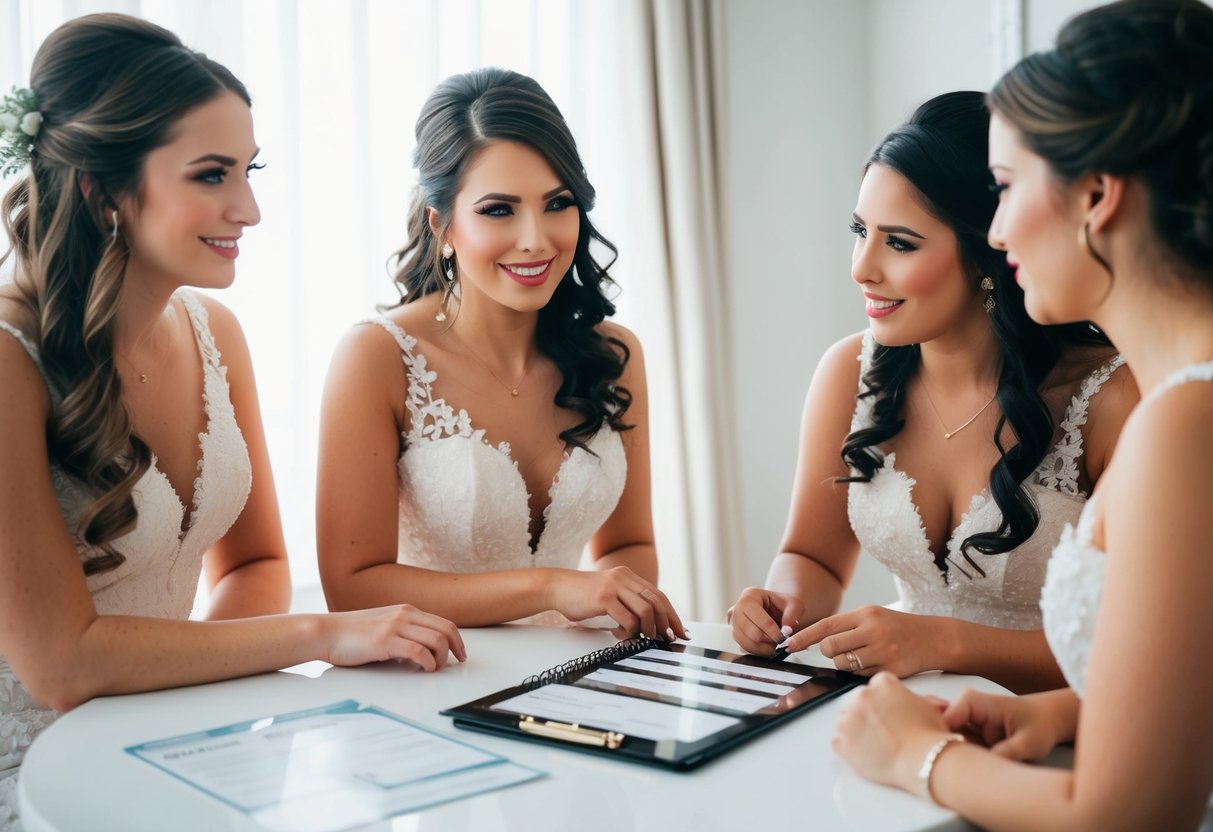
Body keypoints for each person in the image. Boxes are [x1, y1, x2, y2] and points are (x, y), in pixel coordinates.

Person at [0, 15, 465, 828]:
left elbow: (255, 563)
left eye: (249, 171)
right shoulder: (9, 360)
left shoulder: (215, 336)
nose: (247, 209)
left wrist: (182, 723)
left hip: (156, 750)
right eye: (212, 175)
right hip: (32, 782)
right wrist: (322, 634)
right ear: (99, 187)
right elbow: (61, 665)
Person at [834, 1, 1213, 827]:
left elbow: (1133, 815)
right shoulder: (1184, 404)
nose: (995, 231)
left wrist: (913, 758)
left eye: (1005, 188)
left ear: (1097, 196)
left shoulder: (1183, 423)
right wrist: (1062, 713)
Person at [728, 91, 1136, 693]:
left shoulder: (1109, 399)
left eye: (899, 242)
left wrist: (944, 642)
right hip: (899, 716)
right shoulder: (850, 372)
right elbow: (810, 558)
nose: (862, 268)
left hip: (1061, 737)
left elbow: (1140, 651)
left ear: (985, 252)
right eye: (859, 230)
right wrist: (781, 606)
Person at [316, 68, 686, 641]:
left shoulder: (615, 353)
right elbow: (353, 586)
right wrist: (550, 588)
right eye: (498, 210)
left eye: (557, 203)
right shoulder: (378, 357)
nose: (536, 239)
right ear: (443, 224)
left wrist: (622, 619)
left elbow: (628, 545)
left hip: (580, 680)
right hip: (433, 676)